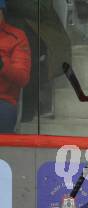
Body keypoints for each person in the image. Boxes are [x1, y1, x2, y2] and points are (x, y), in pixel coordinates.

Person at [0, 0, 31, 133]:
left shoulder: (17, 37)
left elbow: (22, 78)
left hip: (3, 100)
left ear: (3, 12)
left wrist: (2, 65)